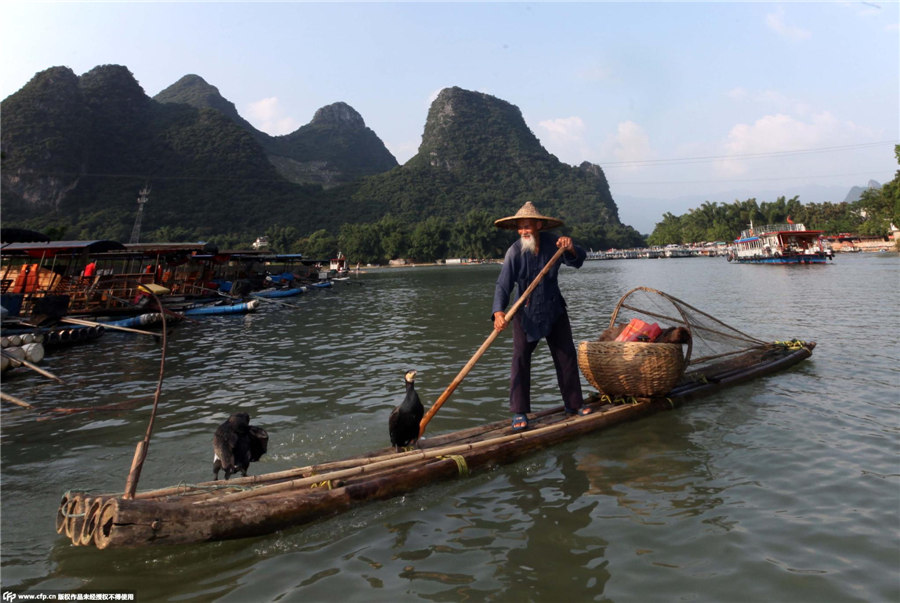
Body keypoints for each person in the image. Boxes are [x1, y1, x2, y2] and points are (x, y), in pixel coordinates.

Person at [491, 201, 590, 432]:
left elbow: (578, 260)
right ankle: (519, 412)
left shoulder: (554, 244)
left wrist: (570, 248)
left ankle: (574, 404)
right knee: (520, 358)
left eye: (527, 226)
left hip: (554, 308)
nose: (523, 231)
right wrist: (498, 312)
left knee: (566, 355)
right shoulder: (515, 251)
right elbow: (503, 285)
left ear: (538, 225)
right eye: (520, 227)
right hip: (525, 312)